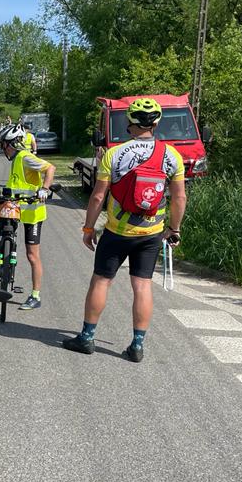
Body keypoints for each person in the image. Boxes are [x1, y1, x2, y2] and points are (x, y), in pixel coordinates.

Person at [62, 97, 187, 362]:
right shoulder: (172, 155)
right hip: (152, 233)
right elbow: (179, 198)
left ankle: (86, 338)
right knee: (142, 286)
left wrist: (88, 228)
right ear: (156, 123)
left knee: (101, 281)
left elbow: (97, 197)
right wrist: (173, 229)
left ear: (129, 121)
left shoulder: (115, 153)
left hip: (117, 232)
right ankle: (137, 345)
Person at [0, 123, 55, 310]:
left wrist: (44, 189)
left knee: (32, 256)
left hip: (32, 211)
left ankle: (35, 296)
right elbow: (17, 184)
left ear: (10, 144)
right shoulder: (15, 160)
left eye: (3, 144)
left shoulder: (24, 156)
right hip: (14, 206)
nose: (2, 149)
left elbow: (50, 168)